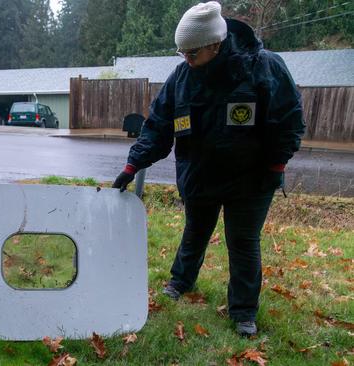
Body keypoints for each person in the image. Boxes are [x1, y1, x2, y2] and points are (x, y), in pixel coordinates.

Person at [112, 2, 304, 337]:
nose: (185, 59)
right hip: (200, 174)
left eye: (192, 52)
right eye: (181, 52)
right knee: (195, 231)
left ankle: (243, 311)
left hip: (251, 178)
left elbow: (289, 121)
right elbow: (158, 125)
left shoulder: (263, 67)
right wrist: (133, 164)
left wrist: (276, 164)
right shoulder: (182, 77)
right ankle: (180, 281)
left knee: (242, 241)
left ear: (215, 45)